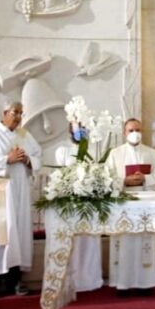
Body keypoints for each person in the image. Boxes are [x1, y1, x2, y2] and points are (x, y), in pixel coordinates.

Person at [0, 101, 42, 297]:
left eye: (21, 114)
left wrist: (27, 160)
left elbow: (37, 154)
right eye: (15, 113)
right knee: (1, 232)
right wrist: (7, 159)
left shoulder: (23, 134)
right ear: (5, 112)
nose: (18, 117)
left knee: (20, 231)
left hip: (20, 188)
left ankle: (17, 280)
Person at [106, 118, 155, 294]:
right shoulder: (115, 154)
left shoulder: (151, 152)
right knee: (124, 241)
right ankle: (122, 284)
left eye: (138, 130)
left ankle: (145, 283)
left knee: (143, 241)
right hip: (123, 202)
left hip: (144, 203)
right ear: (124, 133)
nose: (135, 133)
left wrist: (145, 178)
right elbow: (106, 178)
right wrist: (124, 180)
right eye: (131, 130)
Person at [53, 122, 104, 292]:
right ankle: (72, 279)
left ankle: (91, 279)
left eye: (84, 128)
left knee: (89, 241)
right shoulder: (63, 151)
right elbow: (61, 176)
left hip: (89, 203)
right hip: (71, 203)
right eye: (78, 127)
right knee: (73, 242)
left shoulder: (95, 152)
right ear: (70, 130)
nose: (81, 131)